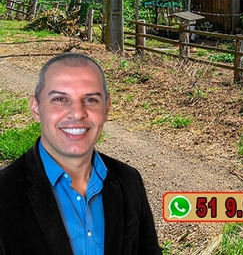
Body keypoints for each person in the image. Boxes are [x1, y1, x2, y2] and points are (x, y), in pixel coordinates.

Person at [0, 52, 161, 254]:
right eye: (60, 99)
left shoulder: (129, 180)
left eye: (91, 100)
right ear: (36, 108)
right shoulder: (4, 193)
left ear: (106, 108)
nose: (77, 113)